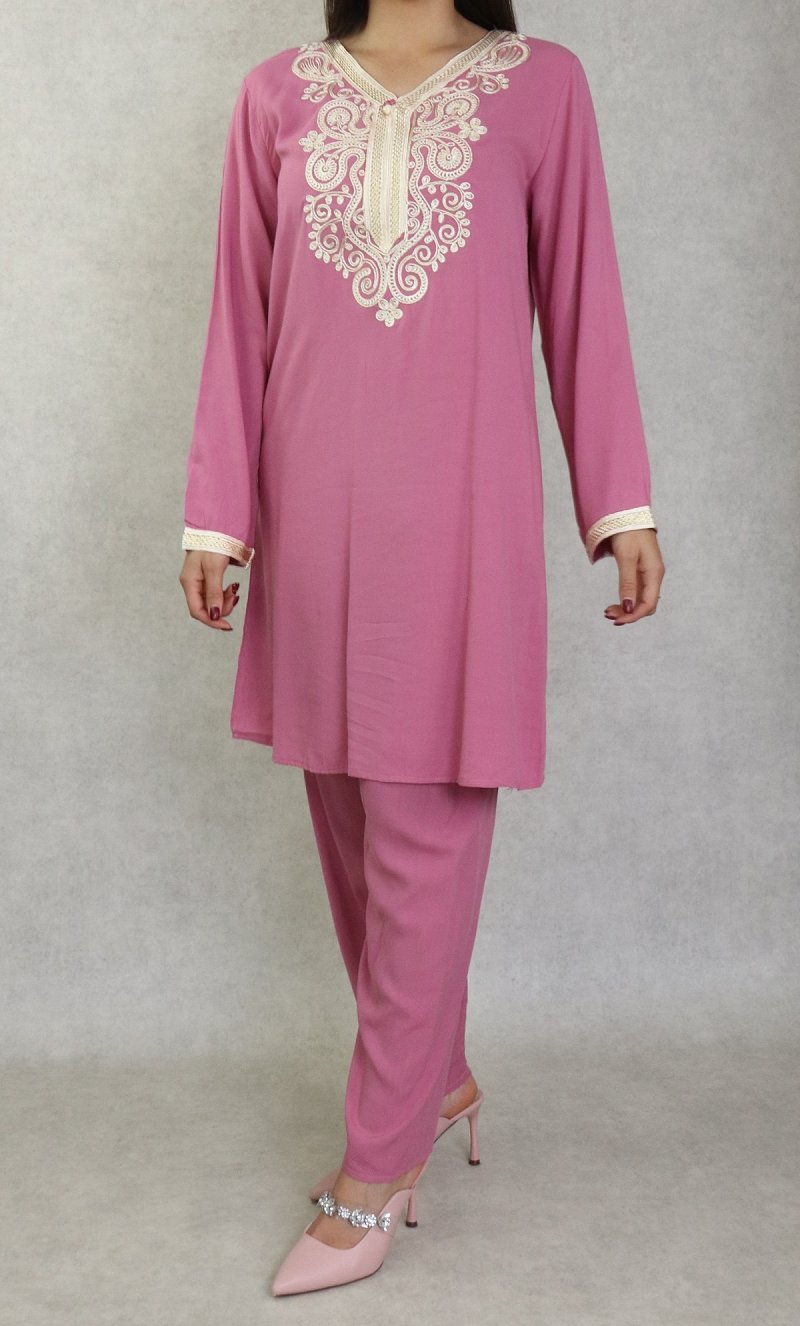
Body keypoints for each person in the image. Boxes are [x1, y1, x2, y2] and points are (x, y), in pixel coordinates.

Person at [178, 0, 665, 1297]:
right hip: (313, 513)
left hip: (459, 514)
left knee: (421, 822)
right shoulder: (276, 94)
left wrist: (618, 505)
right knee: (345, 812)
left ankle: (376, 1167)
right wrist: (219, 515)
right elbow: (239, 317)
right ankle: (436, 1076)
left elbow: (584, 305)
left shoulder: (541, 86)